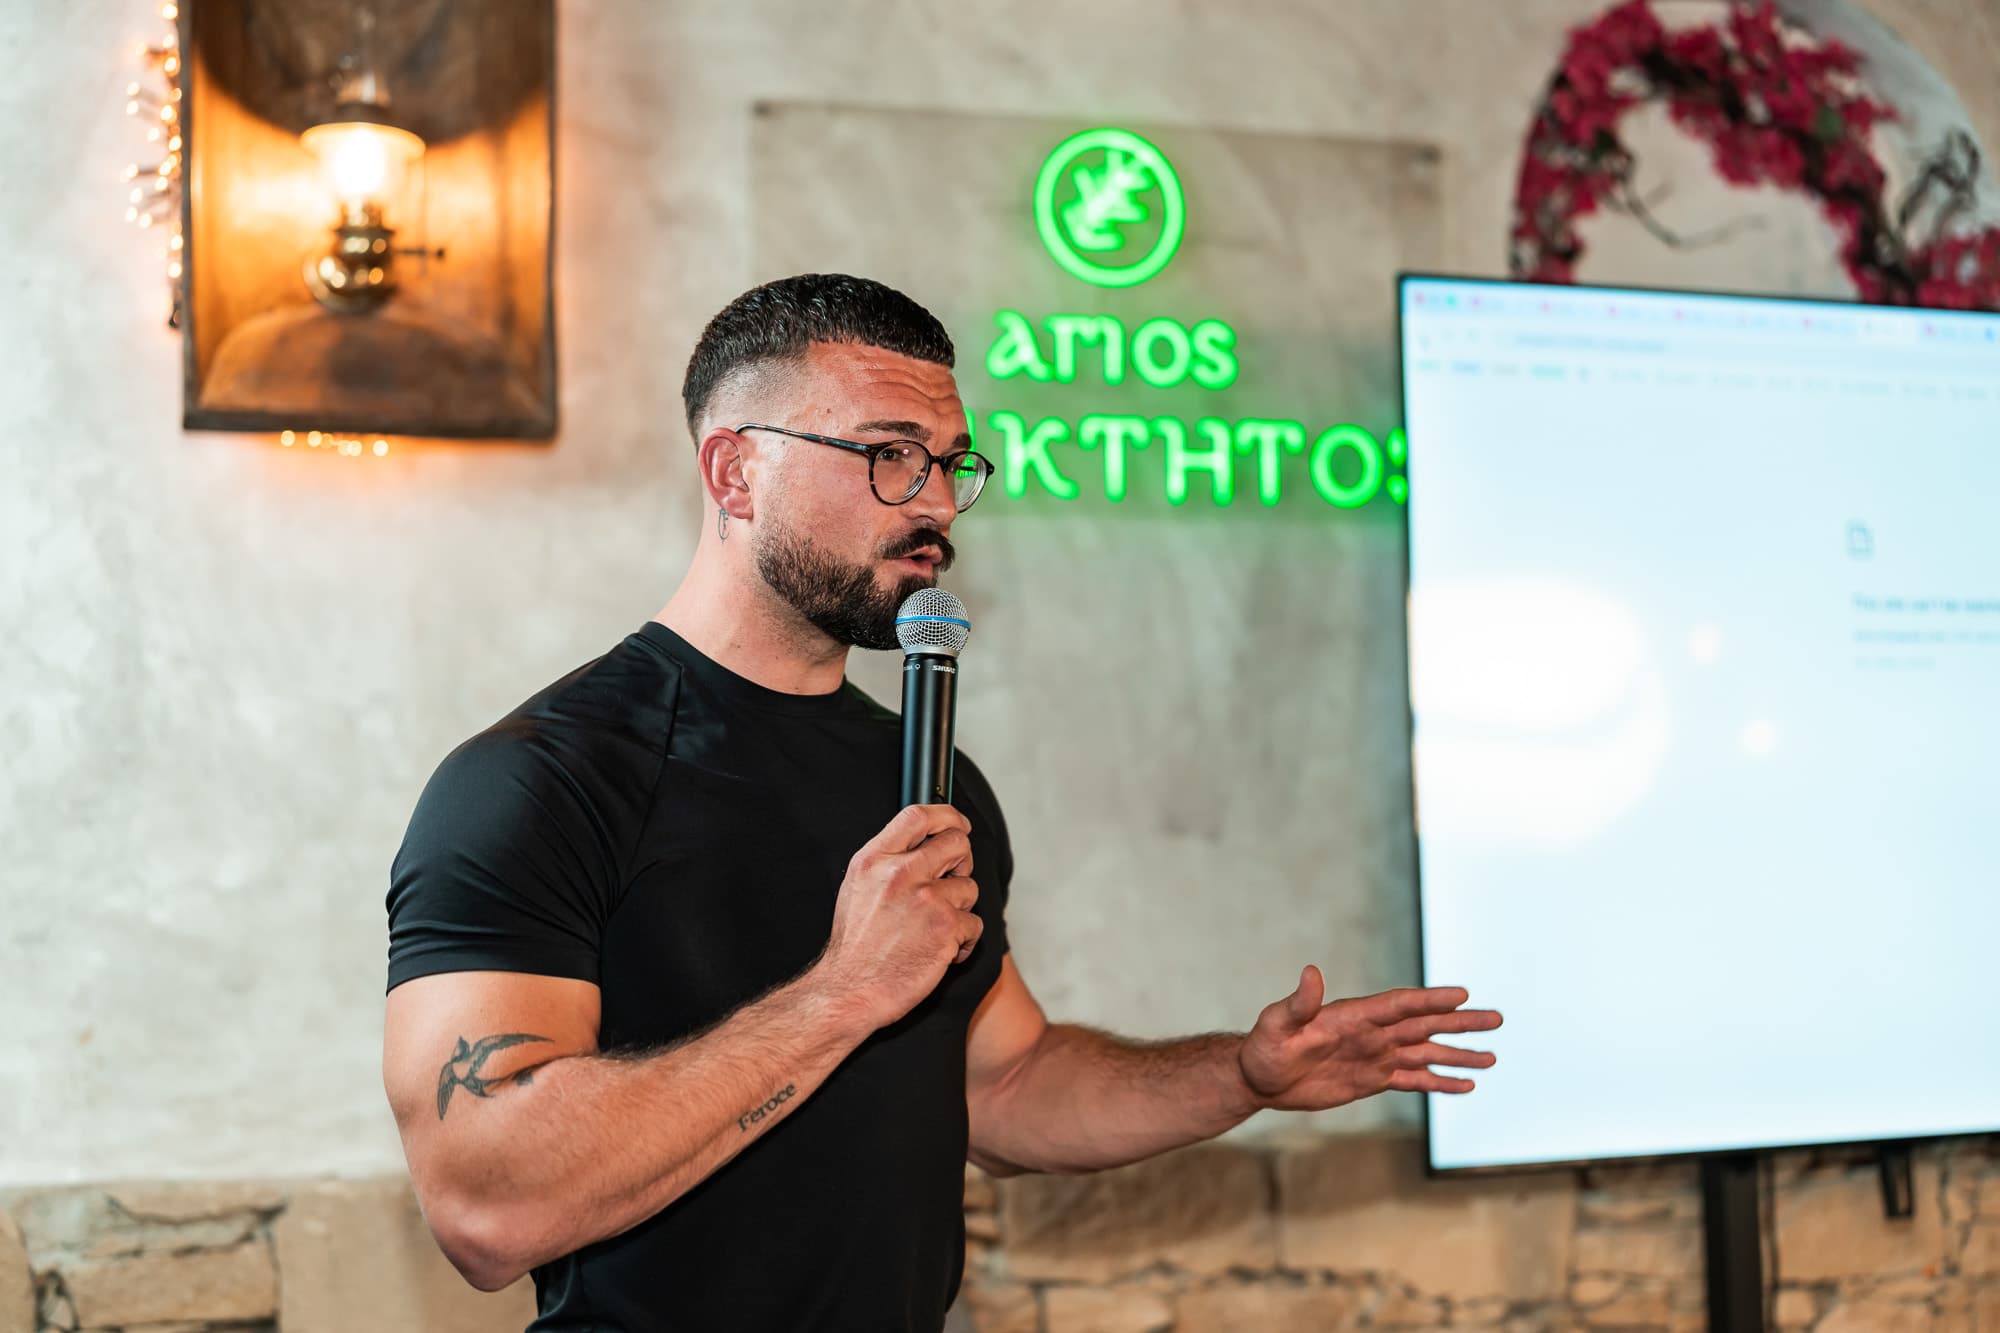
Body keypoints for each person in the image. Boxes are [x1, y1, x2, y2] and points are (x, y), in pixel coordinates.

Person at [381, 273, 1501, 1332]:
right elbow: (485, 1208)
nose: (934, 505)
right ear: (734, 474)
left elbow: (1005, 1085)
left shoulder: (931, 779)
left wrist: (1240, 1074)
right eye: (887, 456)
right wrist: (838, 994)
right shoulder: (542, 779)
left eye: (951, 463)